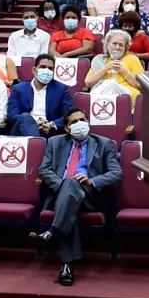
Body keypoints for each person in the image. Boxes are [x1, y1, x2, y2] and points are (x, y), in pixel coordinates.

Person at [33, 107, 122, 285]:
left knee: (71, 189)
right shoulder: (55, 142)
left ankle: (53, 233)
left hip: (90, 196)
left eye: (83, 120)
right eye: (74, 122)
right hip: (62, 194)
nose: (80, 124)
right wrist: (63, 185)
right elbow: (44, 169)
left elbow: (116, 173)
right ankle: (66, 266)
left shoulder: (103, 143)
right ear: (66, 128)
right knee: (69, 197)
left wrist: (92, 181)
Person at [7, 53, 73, 138]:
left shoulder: (61, 89)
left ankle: (36, 147)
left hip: (49, 130)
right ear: (34, 70)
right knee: (25, 116)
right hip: (22, 130)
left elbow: (68, 114)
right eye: (43, 67)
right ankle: (37, 146)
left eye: (50, 69)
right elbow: (12, 115)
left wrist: (52, 124)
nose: (47, 70)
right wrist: (33, 122)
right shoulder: (18, 89)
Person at [85, 29, 144, 103]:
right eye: (114, 43)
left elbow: (140, 86)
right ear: (107, 45)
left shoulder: (132, 59)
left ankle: (89, 105)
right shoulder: (100, 60)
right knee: (108, 84)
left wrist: (123, 70)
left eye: (121, 45)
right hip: (103, 95)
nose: (117, 47)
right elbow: (88, 83)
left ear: (125, 48)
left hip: (126, 95)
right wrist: (105, 69)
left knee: (110, 84)